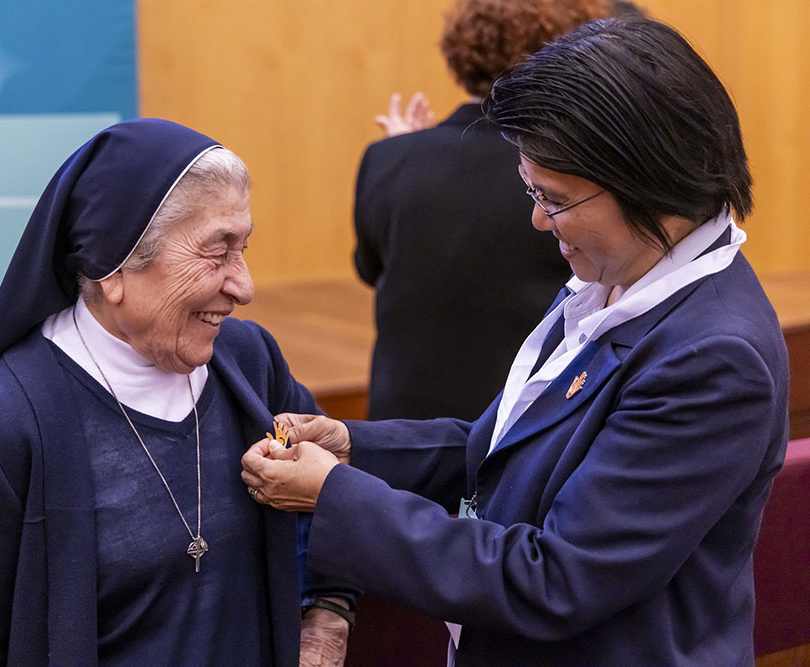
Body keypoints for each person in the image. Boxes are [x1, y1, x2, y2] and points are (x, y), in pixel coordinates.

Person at [242, 18, 789, 665]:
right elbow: (511, 449)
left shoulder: (713, 358)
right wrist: (356, 446)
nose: (536, 218)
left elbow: (555, 580)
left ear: (648, 182)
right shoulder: (622, 272)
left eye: (553, 198)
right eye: (532, 190)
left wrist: (334, 494)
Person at [0, 119, 353, 666]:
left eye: (244, 248)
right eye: (217, 254)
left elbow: (336, 506)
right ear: (110, 269)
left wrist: (326, 623)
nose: (244, 285)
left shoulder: (250, 362)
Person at [354, 0, 611, 420]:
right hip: (519, 418)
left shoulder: (388, 157)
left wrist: (408, 151)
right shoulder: (573, 168)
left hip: (401, 423)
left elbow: (371, 270)